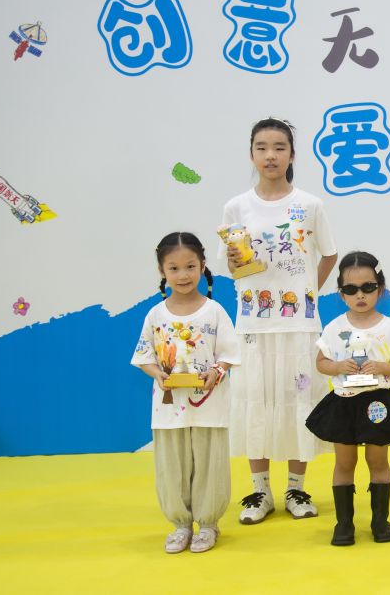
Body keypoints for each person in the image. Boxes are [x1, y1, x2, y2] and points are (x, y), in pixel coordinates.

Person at [219, 118, 338, 524]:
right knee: (256, 401)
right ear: (251, 154)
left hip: (300, 326)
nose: (270, 156)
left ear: (292, 154)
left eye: (279, 147)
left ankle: (296, 488)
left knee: (297, 402)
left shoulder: (310, 205)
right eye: (262, 147)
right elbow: (233, 267)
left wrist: (308, 292)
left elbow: (329, 254)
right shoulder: (236, 207)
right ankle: (259, 492)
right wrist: (235, 262)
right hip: (253, 323)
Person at [131, 232, 239, 553]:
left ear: (203, 266)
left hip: (209, 405)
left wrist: (216, 371)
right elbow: (144, 357)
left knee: (209, 463)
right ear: (162, 271)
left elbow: (229, 355)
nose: (183, 275)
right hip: (169, 409)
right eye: (174, 268)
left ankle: (208, 523)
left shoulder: (214, 311)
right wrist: (158, 375)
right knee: (172, 465)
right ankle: (180, 524)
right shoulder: (156, 314)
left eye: (190, 266)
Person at [307, 252, 390, 545]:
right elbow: (321, 362)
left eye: (368, 287)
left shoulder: (388, 327)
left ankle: (380, 521)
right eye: (351, 289)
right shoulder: (335, 327)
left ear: (380, 288)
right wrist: (338, 366)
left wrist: (382, 367)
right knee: (344, 462)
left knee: (378, 460)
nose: (360, 295)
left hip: (377, 403)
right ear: (341, 294)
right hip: (343, 402)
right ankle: (344, 523)